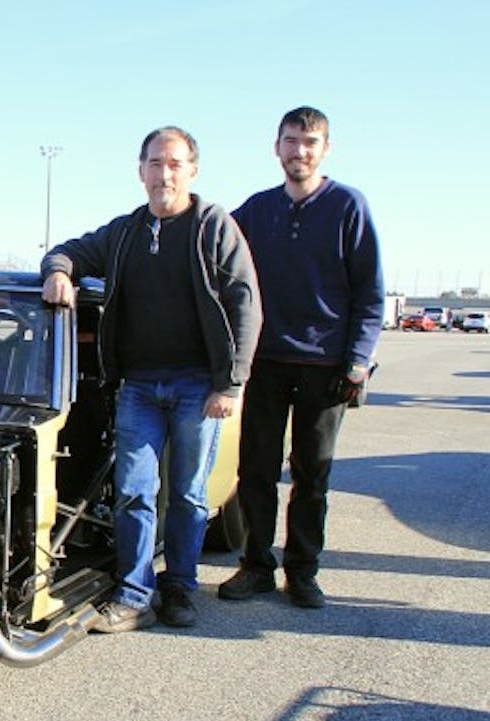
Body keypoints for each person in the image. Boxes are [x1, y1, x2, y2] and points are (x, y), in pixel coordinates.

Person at [41, 127, 262, 631]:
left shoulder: (213, 226)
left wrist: (230, 384)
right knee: (134, 491)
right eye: (155, 163)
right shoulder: (123, 233)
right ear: (140, 171)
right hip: (138, 386)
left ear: (192, 170)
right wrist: (58, 271)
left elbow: (244, 304)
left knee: (187, 494)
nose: (164, 174)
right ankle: (135, 594)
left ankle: (180, 588)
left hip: (196, 386)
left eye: (174, 164)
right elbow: (68, 251)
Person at [220, 106, 384, 608]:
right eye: (291, 141)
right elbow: (217, 261)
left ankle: (304, 570)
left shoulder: (348, 207)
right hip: (265, 362)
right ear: (277, 147)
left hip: (327, 367)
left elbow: (370, 294)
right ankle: (255, 566)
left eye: (310, 142)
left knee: (312, 474)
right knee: (255, 471)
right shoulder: (255, 210)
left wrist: (356, 361)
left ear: (325, 148)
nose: (300, 151)